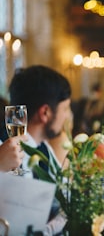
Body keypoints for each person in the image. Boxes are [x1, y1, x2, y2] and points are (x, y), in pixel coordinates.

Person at [9, 65, 72, 235]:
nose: (66, 116)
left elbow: (67, 201)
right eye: (65, 109)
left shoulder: (43, 148)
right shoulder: (7, 154)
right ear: (45, 112)